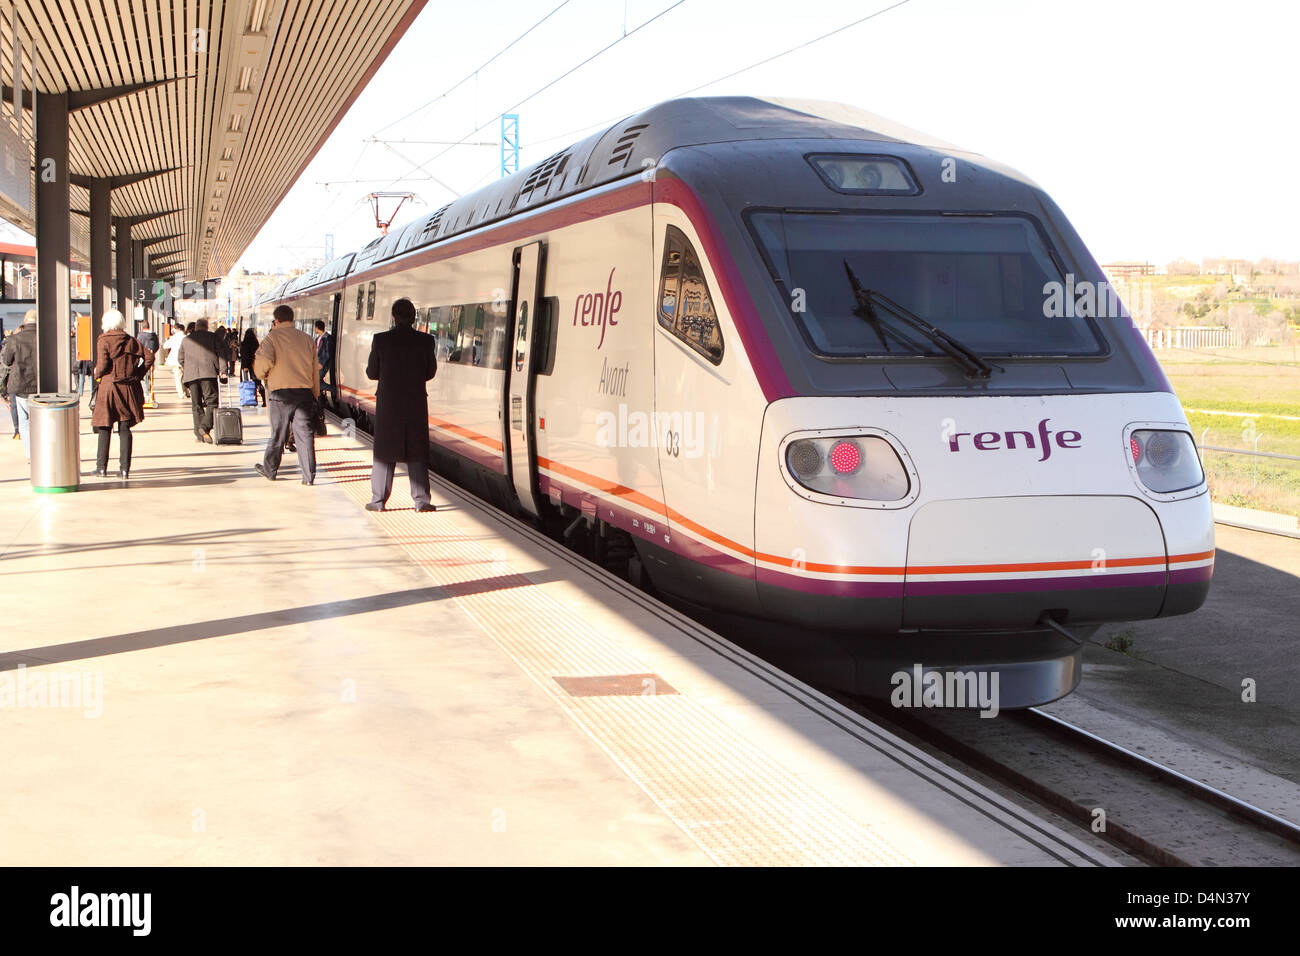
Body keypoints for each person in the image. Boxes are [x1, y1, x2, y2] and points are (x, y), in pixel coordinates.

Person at [364, 298, 437, 513]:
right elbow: (430, 372)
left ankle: (378, 500)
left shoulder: (381, 340)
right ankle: (421, 501)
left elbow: (372, 373)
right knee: (416, 450)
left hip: (389, 405)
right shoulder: (426, 341)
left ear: (394, 317)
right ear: (414, 317)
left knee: (385, 451)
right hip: (415, 403)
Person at [253, 304, 319, 484]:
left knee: (278, 434)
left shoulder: (271, 338)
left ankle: (270, 470)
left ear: (276, 320)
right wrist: (315, 394)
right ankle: (309, 476)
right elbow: (314, 370)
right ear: (292, 319)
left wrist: (261, 374)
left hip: (281, 395)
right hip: (304, 394)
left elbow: (263, 362)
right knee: (305, 435)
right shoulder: (307, 339)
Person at [92, 309, 151, 479]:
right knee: (125, 428)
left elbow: (102, 365)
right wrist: (137, 374)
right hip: (128, 388)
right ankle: (125, 469)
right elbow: (149, 357)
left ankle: (101, 468)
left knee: (104, 427)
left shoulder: (104, 340)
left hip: (108, 388)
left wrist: (96, 373)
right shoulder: (131, 340)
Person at [179, 318, 225, 443]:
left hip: (191, 376)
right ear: (206, 327)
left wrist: (188, 368)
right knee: (212, 402)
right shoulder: (213, 337)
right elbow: (221, 354)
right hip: (208, 374)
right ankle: (204, 428)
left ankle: (200, 435)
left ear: (195, 327)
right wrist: (223, 370)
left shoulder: (186, 339)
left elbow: (180, 358)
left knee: (196, 405)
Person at [0, 310, 38, 461]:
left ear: (25, 321)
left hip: (20, 385)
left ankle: (30, 454)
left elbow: (6, 361)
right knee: (39, 420)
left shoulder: (14, 339)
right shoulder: (44, 337)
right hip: (41, 385)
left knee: (24, 421)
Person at [239, 327, 266, 407]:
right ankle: (264, 399)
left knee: (246, 384)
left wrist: (245, 366)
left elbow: (244, 356)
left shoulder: (244, 343)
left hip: (246, 367)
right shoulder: (256, 343)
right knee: (257, 383)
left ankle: (249, 399)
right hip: (255, 365)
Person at [163, 323, 186, 397]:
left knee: (178, 377)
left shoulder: (174, 337)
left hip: (176, 360)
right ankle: (187, 391)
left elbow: (165, 346)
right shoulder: (186, 337)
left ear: (177, 329)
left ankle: (181, 393)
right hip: (186, 360)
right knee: (185, 376)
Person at [314, 319, 335, 403]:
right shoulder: (318, 338)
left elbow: (328, 352)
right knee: (316, 382)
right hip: (317, 363)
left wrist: (322, 363)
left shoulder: (328, 338)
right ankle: (320, 403)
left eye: (315, 328)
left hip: (323, 364)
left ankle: (334, 390)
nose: (314, 329)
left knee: (317, 383)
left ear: (317, 327)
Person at [137, 321, 159, 396]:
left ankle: (145, 392)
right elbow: (157, 346)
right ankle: (150, 388)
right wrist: (152, 352)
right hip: (151, 356)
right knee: (150, 373)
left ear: (142, 327)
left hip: (142, 357)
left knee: (142, 373)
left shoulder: (140, 335)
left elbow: (138, 346)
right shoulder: (154, 335)